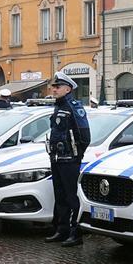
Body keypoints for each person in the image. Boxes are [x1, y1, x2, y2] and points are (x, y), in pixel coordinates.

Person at [44, 73, 91, 247]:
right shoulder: (58, 106)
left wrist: (76, 156)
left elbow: (85, 136)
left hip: (70, 159)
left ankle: (75, 233)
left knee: (72, 197)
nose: (54, 89)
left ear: (68, 89)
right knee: (60, 196)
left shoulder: (74, 107)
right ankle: (61, 229)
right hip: (56, 158)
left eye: (58, 87)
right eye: (53, 86)